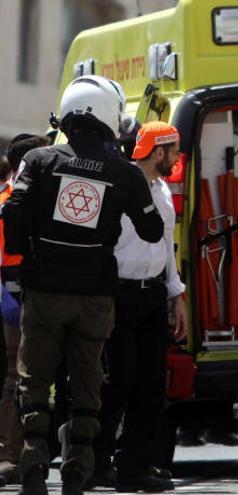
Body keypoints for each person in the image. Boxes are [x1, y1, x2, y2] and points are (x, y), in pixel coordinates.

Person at [3, 75, 164, 495]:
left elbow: (13, 213)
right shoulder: (124, 172)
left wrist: (26, 254)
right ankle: (77, 470)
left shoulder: (38, 160)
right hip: (95, 297)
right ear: (109, 114)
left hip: (44, 292)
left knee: (34, 379)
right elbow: (152, 230)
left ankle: (34, 467)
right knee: (87, 382)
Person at [90, 122, 187, 492]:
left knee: (152, 384)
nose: (177, 158)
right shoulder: (119, 186)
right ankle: (96, 460)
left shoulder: (162, 190)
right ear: (158, 151)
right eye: (174, 150)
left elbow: (167, 247)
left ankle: (134, 467)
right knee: (121, 380)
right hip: (119, 295)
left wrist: (176, 295)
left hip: (152, 295)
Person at [0, 134, 52, 486]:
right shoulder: (11, 197)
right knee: (16, 376)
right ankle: (8, 453)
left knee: (23, 377)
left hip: (26, 291)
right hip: (14, 294)